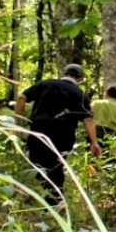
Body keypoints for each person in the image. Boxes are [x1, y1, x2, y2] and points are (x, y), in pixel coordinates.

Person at [15, 63, 102, 205]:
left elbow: (22, 98)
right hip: (63, 136)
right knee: (56, 167)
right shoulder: (80, 95)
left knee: (37, 165)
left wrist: (17, 122)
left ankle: (32, 202)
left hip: (38, 131)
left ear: (62, 74)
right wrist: (94, 142)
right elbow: (87, 119)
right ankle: (53, 203)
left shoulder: (44, 84)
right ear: (80, 79)